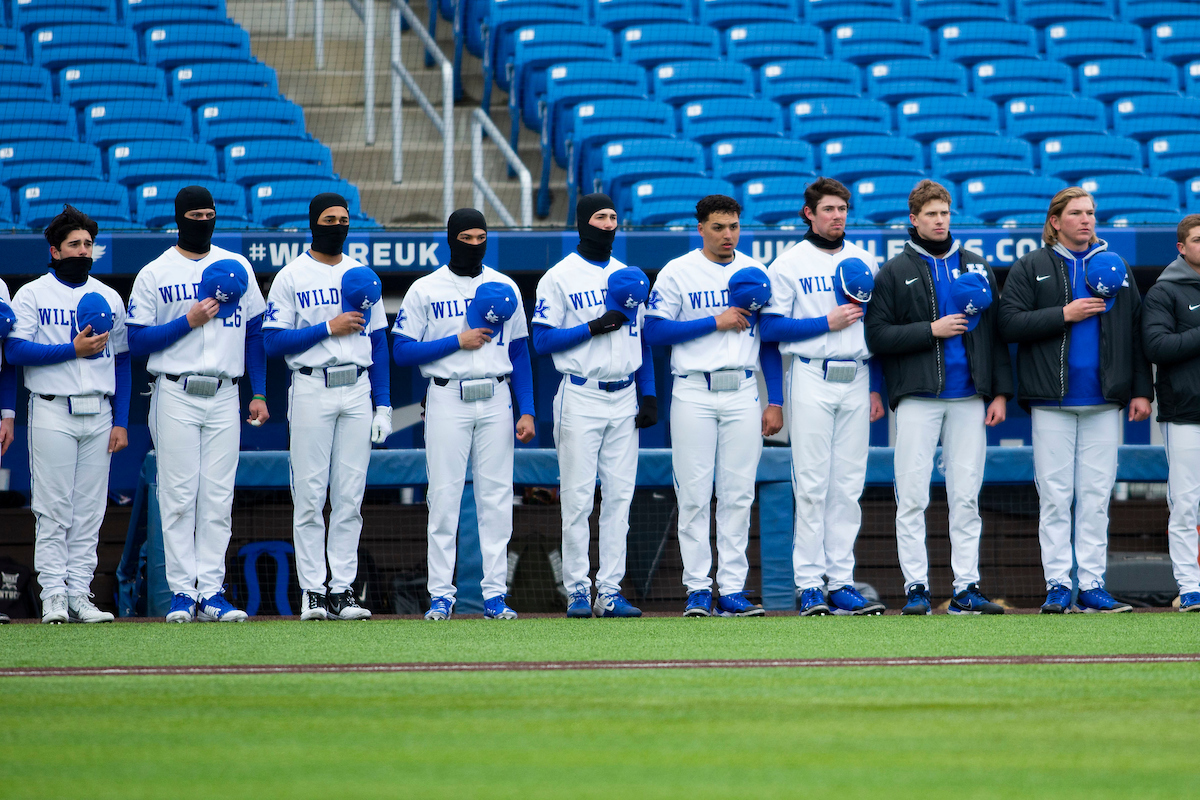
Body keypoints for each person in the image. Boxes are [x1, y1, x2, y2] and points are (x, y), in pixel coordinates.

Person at [998, 186, 1152, 614]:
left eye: (1091, 213)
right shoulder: (1031, 265)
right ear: (1055, 221)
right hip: (1051, 400)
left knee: (1096, 494)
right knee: (1054, 494)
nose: (1086, 220)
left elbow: (1137, 332)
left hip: (1106, 400)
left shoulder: (1115, 265)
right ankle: (1057, 585)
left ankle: (1092, 584)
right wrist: (1064, 313)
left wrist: (1141, 389)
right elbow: (1007, 323)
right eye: (1077, 213)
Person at [866, 180, 1013, 615]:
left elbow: (995, 334)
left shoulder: (976, 264)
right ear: (913, 219)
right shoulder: (894, 270)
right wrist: (929, 330)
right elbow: (877, 335)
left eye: (945, 213)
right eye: (931, 214)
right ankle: (916, 587)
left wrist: (999, 392)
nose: (939, 220)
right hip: (917, 397)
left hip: (970, 397)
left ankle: (966, 588)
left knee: (966, 495)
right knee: (912, 494)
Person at [126, 185, 269, 622]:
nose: (203, 221)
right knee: (178, 495)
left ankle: (212, 591)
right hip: (175, 390)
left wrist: (259, 392)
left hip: (226, 392)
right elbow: (136, 341)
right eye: (195, 214)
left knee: (217, 497)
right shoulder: (155, 271)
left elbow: (256, 333)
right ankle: (182, 594)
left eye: (209, 213)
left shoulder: (236, 264)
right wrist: (188, 320)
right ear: (179, 218)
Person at [392, 208, 535, 621]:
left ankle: (494, 595)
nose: (474, 245)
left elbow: (519, 351)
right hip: (446, 396)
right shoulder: (425, 288)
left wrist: (527, 409)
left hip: (496, 397)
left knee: (495, 499)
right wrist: (456, 341)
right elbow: (402, 350)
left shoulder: (503, 284)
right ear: (451, 239)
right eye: (466, 238)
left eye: (480, 238)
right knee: (444, 497)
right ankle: (441, 595)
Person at [644, 194, 780, 617]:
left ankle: (733, 589)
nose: (727, 234)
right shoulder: (678, 270)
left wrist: (775, 400)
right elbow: (653, 333)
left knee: (738, 494)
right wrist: (714, 320)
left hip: (742, 388)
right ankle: (698, 589)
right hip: (693, 390)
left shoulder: (754, 271)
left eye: (734, 226)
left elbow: (770, 342)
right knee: (695, 493)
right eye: (719, 227)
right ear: (700, 227)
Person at [761, 177, 887, 616]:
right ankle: (809, 584)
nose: (837, 217)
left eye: (842, 209)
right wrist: (823, 324)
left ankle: (842, 582)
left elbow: (878, 328)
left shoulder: (863, 259)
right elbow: (771, 329)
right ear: (809, 213)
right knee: (812, 485)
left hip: (857, 375)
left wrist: (876, 387)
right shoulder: (788, 263)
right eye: (828, 209)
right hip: (812, 373)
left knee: (848, 487)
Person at [263, 193, 391, 621]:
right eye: (329, 218)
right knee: (311, 495)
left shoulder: (361, 274)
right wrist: (326, 328)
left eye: (344, 219)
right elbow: (273, 341)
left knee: (350, 497)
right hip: (312, 385)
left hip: (357, 387)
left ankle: (343, 590)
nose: (338, 225)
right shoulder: (292, 275)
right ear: (313, 223)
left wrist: (385, 405)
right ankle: (313, 590)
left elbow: (379, 343)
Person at [533, 193, 656, 618]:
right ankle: (578, 590)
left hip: (624, 394)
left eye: (613, 217)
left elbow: (641, 339)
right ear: (584, 222)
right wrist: (594, 326)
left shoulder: (630, 275)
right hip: (581, 392)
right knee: (579, 499)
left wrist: (650, 392)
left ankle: (610, 589)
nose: (608, 224)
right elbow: (542, 340)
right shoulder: (559, 275)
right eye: (600, 217)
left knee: (620, 497)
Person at [6, 205, 130, 623]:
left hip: (99, 411)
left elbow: (124, 361)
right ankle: (53, 593)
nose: (83, 251)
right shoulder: (33, 293)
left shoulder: (109, 295)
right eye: (74, 245)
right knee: (54, 506)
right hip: (52, 408)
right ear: (55, 251)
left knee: (91, 509)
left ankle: (80, 592)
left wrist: (122, 419)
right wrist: (70, 350)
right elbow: (15, 351)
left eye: (88, 245)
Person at [1139, 214, 1200, 613]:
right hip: (1186, 413)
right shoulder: (1164, 291)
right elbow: (1157, 347)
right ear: (1181, 247)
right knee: (1186, 502)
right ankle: (1191, 587)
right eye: (1198, 240)